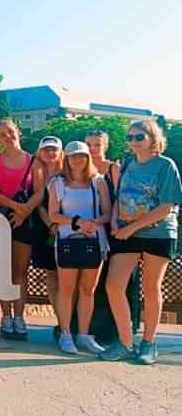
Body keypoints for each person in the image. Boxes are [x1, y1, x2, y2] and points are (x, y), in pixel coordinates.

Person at [102, 120, 182, 364]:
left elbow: (167, 206)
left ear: (152, 138)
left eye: (139, 137)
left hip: (158, 233)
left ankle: (149, 343)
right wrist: (115, 222)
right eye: (130, 138)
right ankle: (126, 343)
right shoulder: (127, 165)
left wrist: (133, 227)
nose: (133, 142)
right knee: (114, 286)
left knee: (151, 287)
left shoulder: (165, 165)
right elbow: (120, 197)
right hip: (127, 232)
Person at [48, 141, 110, 355]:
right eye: (73, 156)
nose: (78, 160)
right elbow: (53, 215)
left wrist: (94, 223)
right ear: (67, 158)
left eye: (82, 155)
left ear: (87, 158)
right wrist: (78, 223)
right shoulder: (58, 182)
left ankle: (83, 335)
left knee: (87, 290)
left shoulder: (98, 182)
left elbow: (108, 213)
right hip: (68, 240)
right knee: (66, 289)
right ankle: (66, 333)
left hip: (94, 241)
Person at [0, 119, 45, 338]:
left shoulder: (34, 161)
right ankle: (6, 316)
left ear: (17, 131)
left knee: (20, 271)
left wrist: (25, 211)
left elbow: (39, 191)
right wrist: (17, 208)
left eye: (10, 132)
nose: (7, 137)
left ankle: (19, 317)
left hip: (24, 221)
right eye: (2, 134)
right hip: (3, 218)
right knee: (2, 270)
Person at [85, 129, 138, 343]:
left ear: (105, 146)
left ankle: (117, 330)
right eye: (89, 144)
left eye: (97, 144)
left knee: (114, 280)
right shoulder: (78, 167)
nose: (92, 148)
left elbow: (119, 197)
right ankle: (89, 328)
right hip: (86, 231)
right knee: (90, 284)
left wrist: (114, 223)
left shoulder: (112, 168)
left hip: (111, 228)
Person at [33, 136, 64, 333]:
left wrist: (59, 224)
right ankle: (61, 321)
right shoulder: (37, 173)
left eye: (54, 149)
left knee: (67, 278)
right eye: (46, 150)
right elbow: (38, 203)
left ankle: (69, 320)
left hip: (67, 229)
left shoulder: (67, 173)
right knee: (51, 276)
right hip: (45, 230)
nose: (50, 153)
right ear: (40, 152)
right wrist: (50, 224)